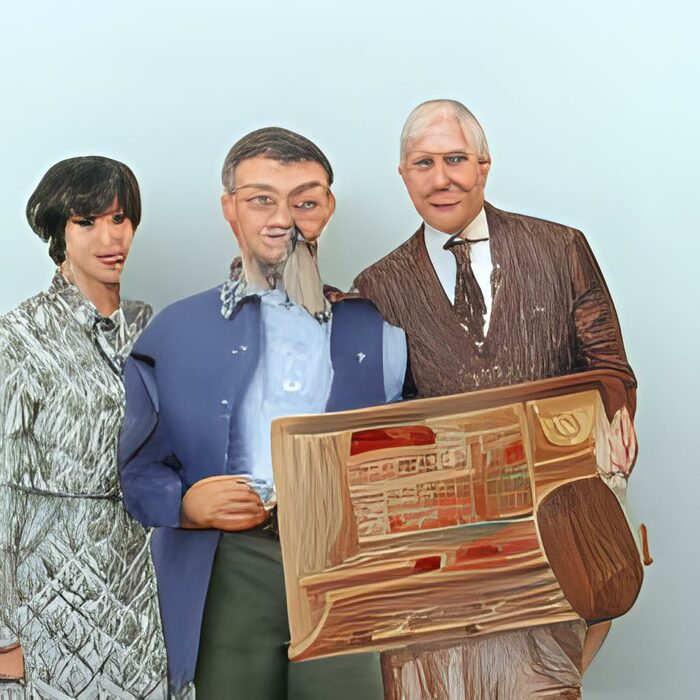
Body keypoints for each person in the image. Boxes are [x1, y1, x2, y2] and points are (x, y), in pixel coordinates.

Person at [353, 99, 638, 698]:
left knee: (543, 685)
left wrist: (614, 429)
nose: (441, 178)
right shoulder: (377, 287)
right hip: (444, 545)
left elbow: (609, 369)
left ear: (484, 165)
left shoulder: (560, 248)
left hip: (556, 523)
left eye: (455, 159)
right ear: (403, 175)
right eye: (423, 163)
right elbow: (384, 418)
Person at [118, 127, 406, 699]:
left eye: (304, 201)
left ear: (327, 208)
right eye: (261, 200)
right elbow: (137, 468)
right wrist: (185, 504)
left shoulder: (379, 328)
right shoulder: (175, 330)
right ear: (230, 208)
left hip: (346, 566)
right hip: (231, 565)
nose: (282, 220)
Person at [0, 156, 167, 698]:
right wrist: (3, 636)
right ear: (58, 232)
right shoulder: (18, 338)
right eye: (87, 221)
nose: (110, 237)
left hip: (142, 579)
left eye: (120, 218)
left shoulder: (149, 327)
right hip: (50, 585)